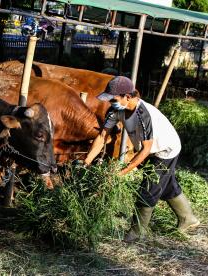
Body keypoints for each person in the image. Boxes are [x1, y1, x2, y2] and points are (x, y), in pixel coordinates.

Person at [84, 76, 200, 242]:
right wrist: (87, 161)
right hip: (149, 150)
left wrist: (122, 172)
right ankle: (188, 219)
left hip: (165, 149)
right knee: (166, 185)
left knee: (148, 189)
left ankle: (137, 232)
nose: (110, 102)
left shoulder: (143, 115)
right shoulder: (115, 110)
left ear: (128, 97)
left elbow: (146, 150)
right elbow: (103, 136)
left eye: (114, 99)